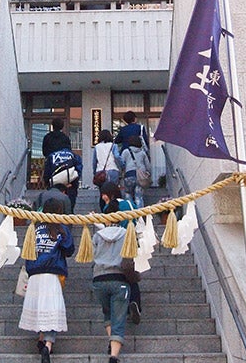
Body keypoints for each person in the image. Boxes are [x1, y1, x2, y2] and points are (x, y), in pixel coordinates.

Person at [19, 197, 75, 363]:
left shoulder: (34, 228)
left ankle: (40, 339)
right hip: (51, 274)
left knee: (39, 307)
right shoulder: (60, 228)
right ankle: (48, 344)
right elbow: (69, 249)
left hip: (35, 274)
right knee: (51, 309)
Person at [92, 189, 131, 363]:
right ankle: (114, 356)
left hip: (99, 279)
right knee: (119, 318)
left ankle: (111, 341)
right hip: (119, 279)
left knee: (107, 313)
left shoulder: (97, 235)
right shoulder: (125, 234)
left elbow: (92, 255)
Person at [98, 182, 142, 326]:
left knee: (120, 277)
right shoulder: (129, 204)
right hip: (131, 244)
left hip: (114, 247)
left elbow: (107, 227)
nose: (102, 197)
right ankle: (135, 302)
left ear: (109, 194)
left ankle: (124, 308)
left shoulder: (107, 208)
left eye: (103, 194)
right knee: (131, 275)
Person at [43, 147, 83, 212]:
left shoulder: (52, 156)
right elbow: (78, 171)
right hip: (70, 186)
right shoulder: (74, 155)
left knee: (52, 210)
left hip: (55, 187)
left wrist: (48, 184)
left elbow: (47, 174)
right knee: (69, 209)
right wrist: (73, 183)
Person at [120, 136, 149, 210]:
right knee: (139, 196)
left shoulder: (126, 151)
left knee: (128, 194)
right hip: (140, 177)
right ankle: (140, 216)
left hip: (129, 175)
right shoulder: (142, 153)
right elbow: (148, 166)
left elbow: (121, 164)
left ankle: (130, 213)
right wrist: (148, 173)